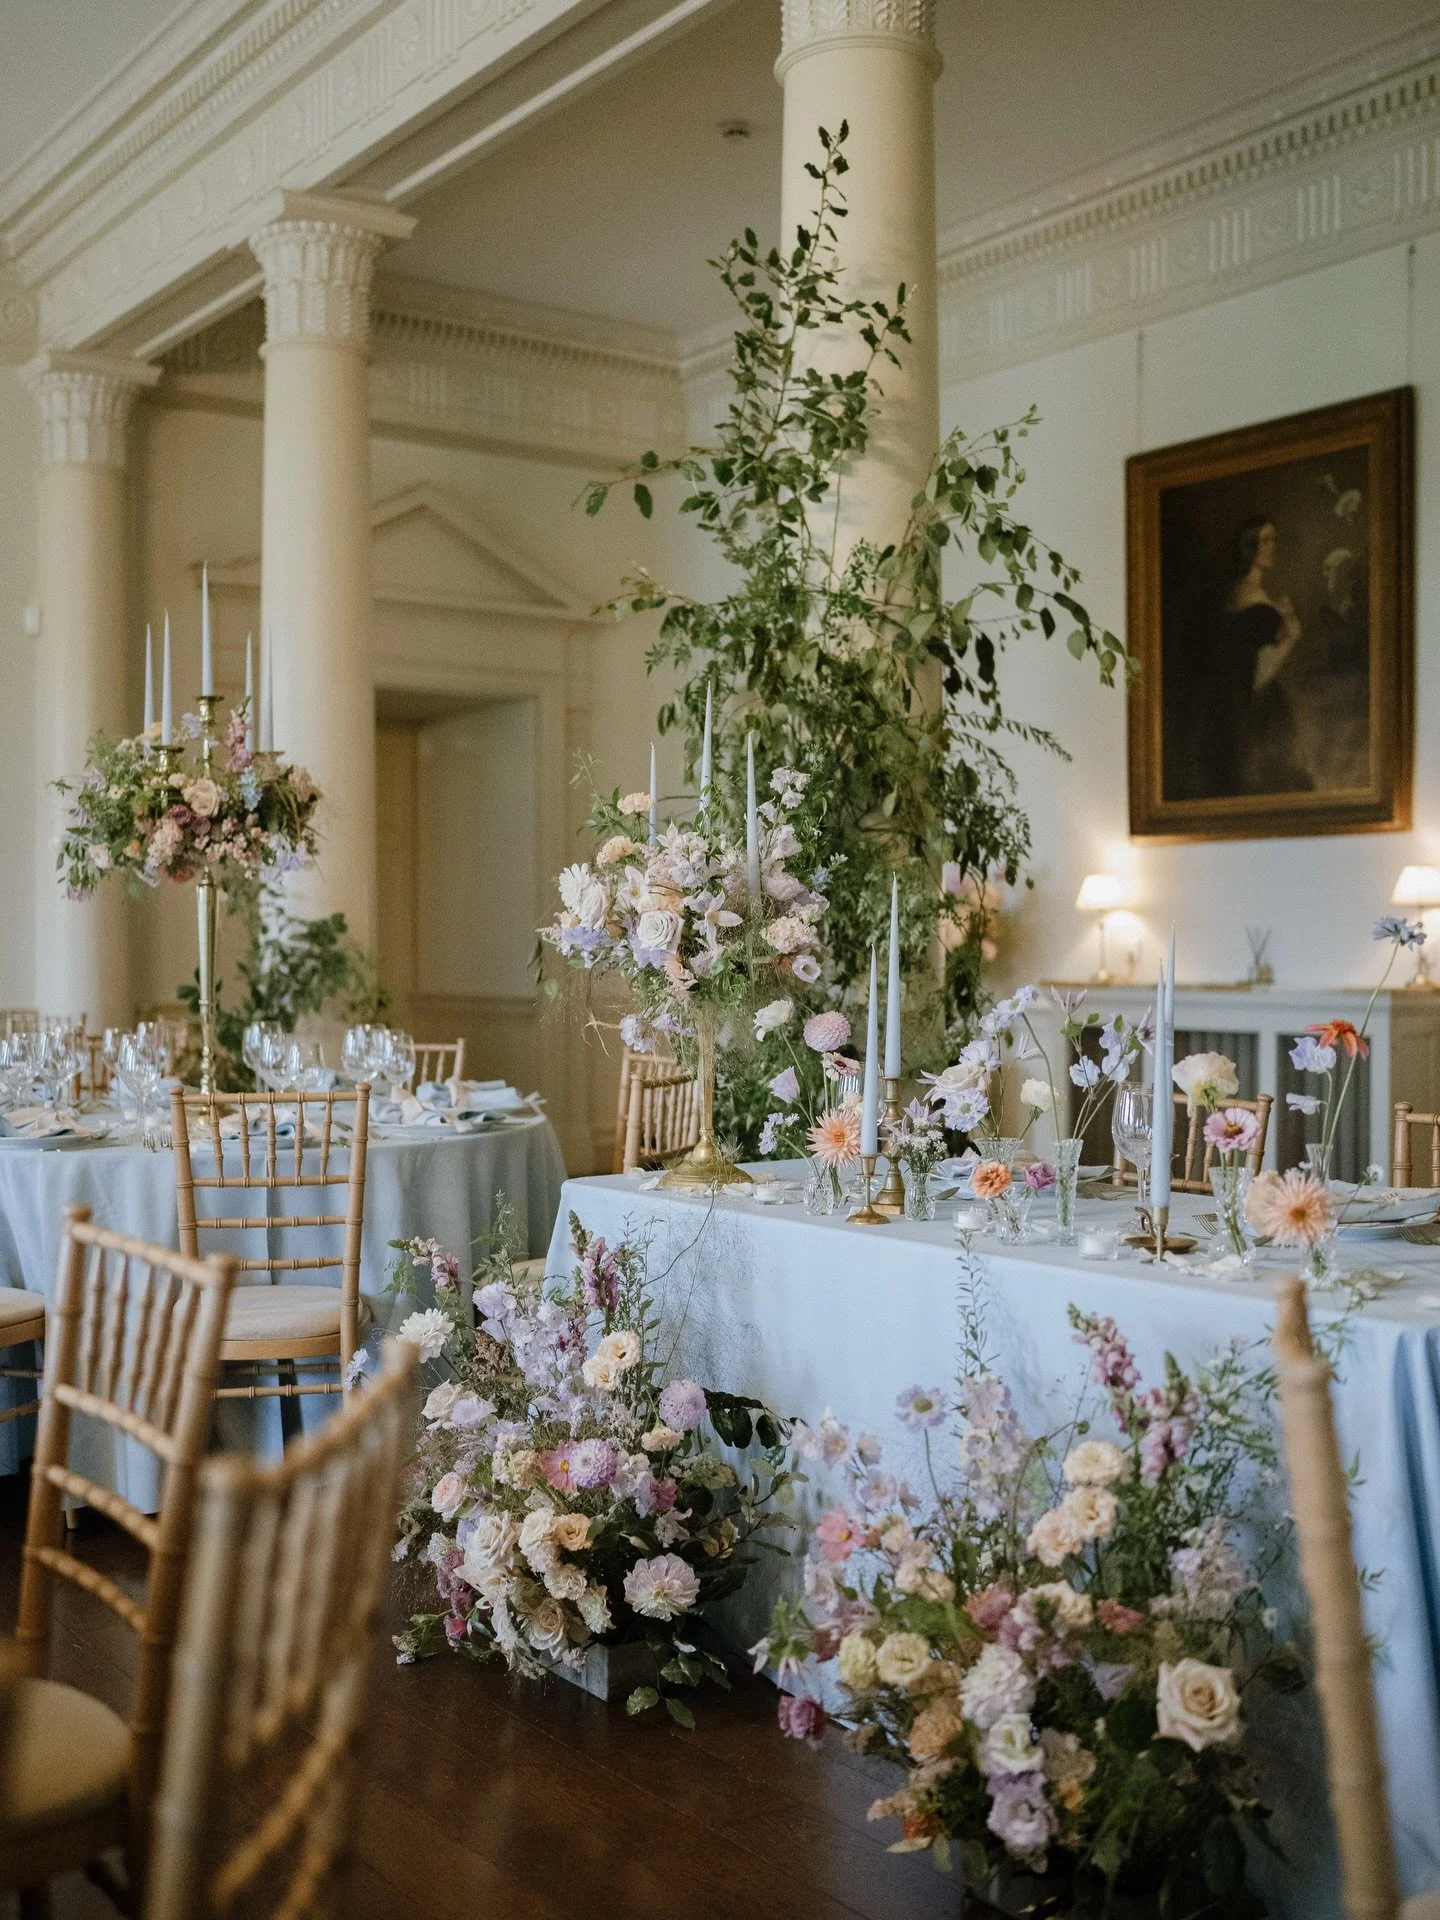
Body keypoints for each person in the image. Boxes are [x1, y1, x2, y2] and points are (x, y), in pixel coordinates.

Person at [1211, 517, 1312, 795]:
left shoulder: (1251, 594)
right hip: (1255, 701)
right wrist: (1291, 637)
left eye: (1273, 540)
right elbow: (1258, 671)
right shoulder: (1248, 594)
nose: (1272, 547)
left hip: (1255, 699)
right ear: (1250, 546)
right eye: (1265, 540)